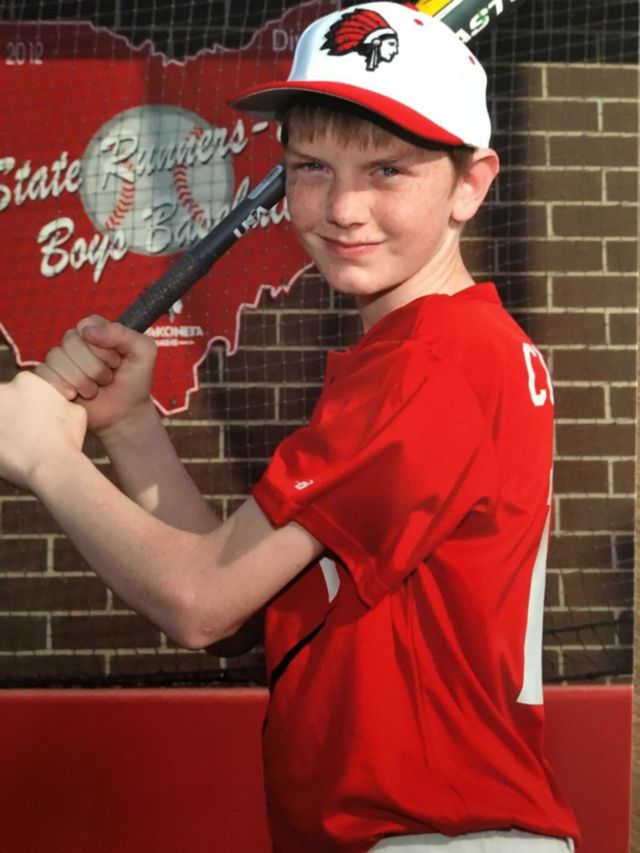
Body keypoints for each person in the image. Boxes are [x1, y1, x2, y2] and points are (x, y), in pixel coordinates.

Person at [0, 3, 579, 851]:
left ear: (471, 183)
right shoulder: (443, 350)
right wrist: (129, 424)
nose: (343, 206)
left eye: (388, 170)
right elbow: (239, 608)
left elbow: (200, 603)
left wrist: (48, 460)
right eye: (312, 166)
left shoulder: (433, 364)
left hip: (437, 835)